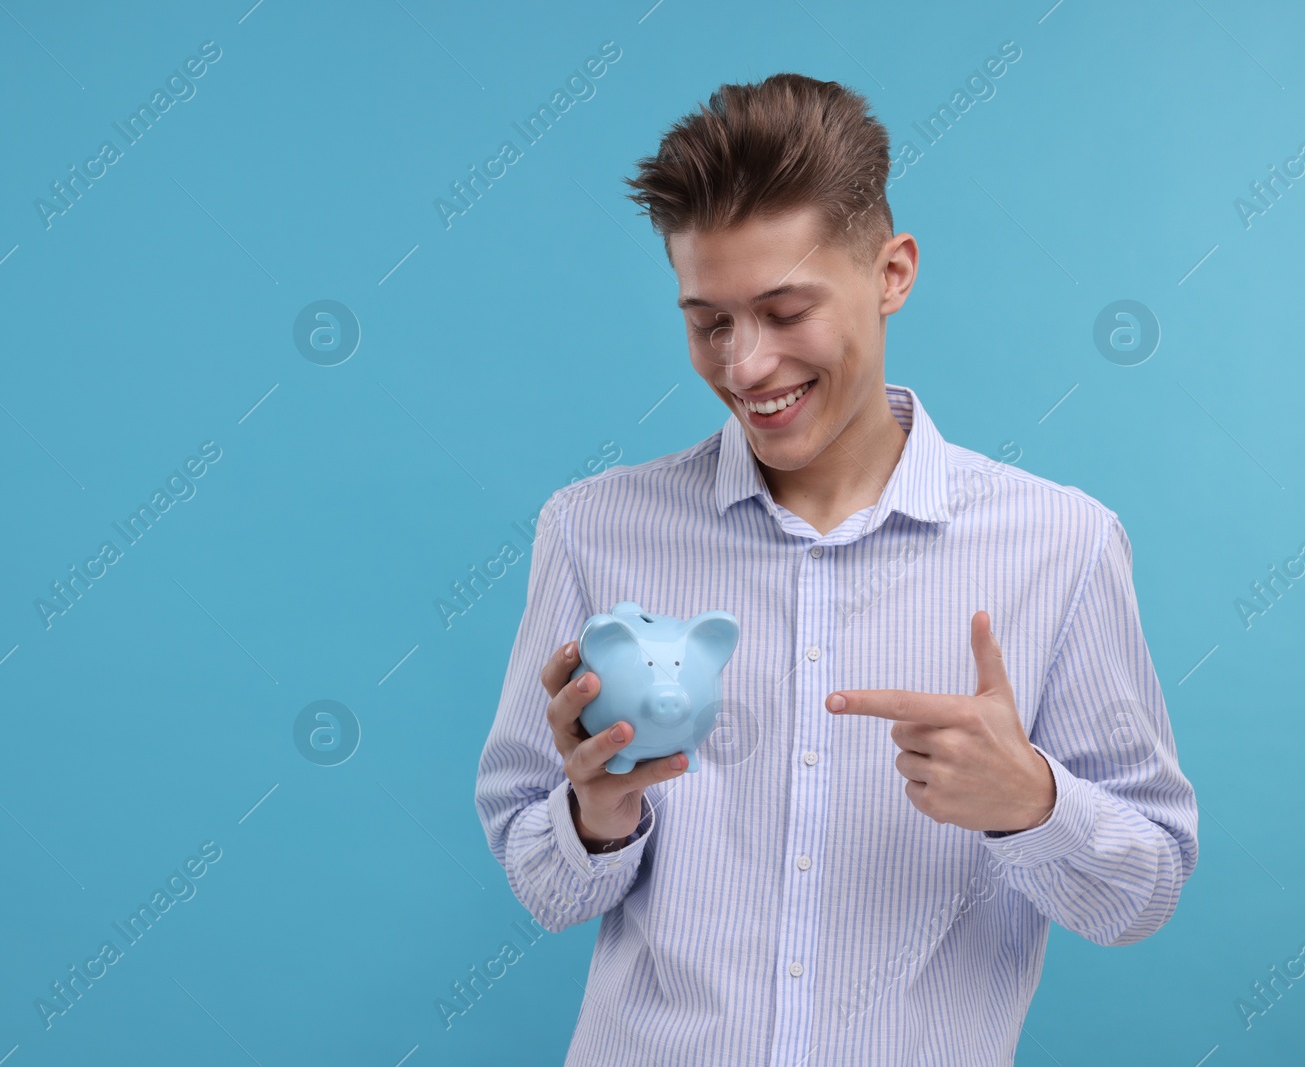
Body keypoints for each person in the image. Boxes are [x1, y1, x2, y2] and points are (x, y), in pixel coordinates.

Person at [473, 72, 1198, 1066]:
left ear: (892, 271)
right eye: (709, 320)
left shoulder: (1060, 546)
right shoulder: (593, 530)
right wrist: (596, 815)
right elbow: (545, 886)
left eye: (783, 310)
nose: (744, 365)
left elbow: (1140, 892)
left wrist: (1031, 800)